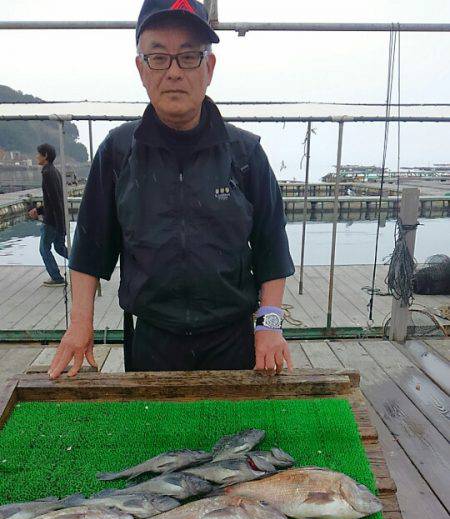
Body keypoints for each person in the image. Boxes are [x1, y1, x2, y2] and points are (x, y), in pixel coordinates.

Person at [48, 0, 294, 379]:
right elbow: (89, 248)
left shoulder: (246, 154)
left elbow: (272, 249)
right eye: (158, 58)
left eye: (189, 57)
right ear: (140, 69)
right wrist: (80, 325)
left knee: (238, 433)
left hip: (232, 337)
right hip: (151, 338)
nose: (174, 72)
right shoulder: (117, 153)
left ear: (209, 68)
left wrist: (269, 327)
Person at [28, 143, 68, 287]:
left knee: (44, 249)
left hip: (52, 221)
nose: (36, 156)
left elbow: (55, 201)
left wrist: (59, 225)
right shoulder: (54, 171)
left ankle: (56, 278)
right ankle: (85, 266)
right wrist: (38, 211)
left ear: (45, 156)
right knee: (60, 248)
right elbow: (54, 200)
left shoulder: (47, 173)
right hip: (58, 219)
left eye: (38, 154)